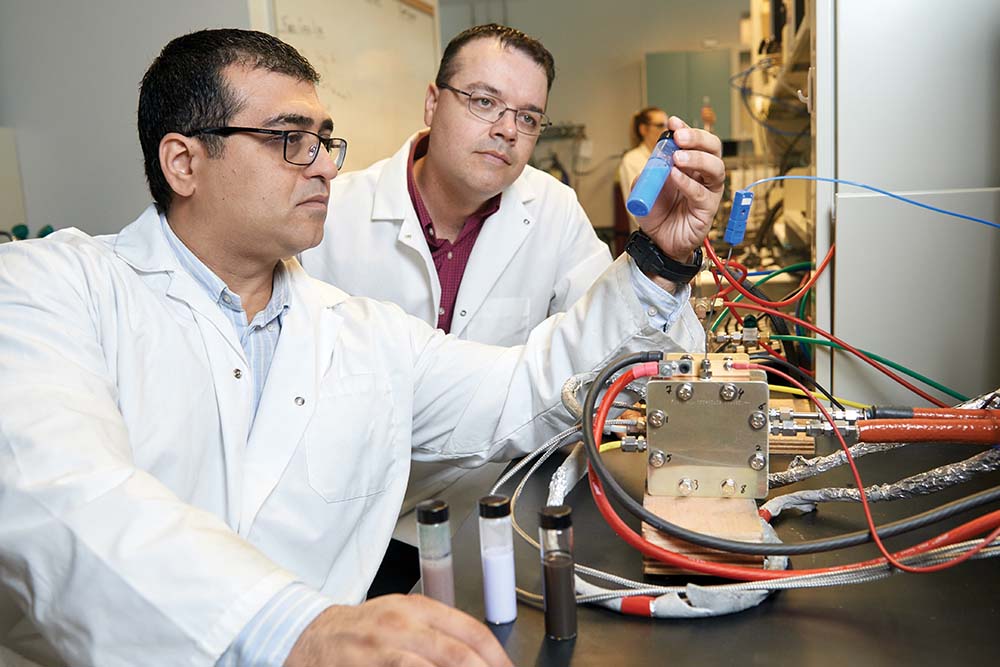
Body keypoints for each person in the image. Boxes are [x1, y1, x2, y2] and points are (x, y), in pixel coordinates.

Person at [0, 28, 723, 667]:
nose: (323, 165)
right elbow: (58, 492)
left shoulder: (360, 331)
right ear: (184, 163)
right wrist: (294, 629)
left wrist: (657, 264)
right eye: (290, 140)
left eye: (324, 140)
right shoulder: (50, 288)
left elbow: (526, 389)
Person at [299, 24, 613, 549]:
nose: (508, 130)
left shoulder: (553, 209)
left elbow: (612, 349)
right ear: (431, 103)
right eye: (485, 102)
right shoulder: (333, 214)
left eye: (528, 117)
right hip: (354, 519)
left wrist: (664, 265)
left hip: (502, 509)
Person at [617, 106, 670, 231]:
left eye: (667, 125)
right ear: (643, 129)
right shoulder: (631, 160)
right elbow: (636, 210)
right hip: (648, 237)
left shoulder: (668, 158)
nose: (666, 130)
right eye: (660, 125)